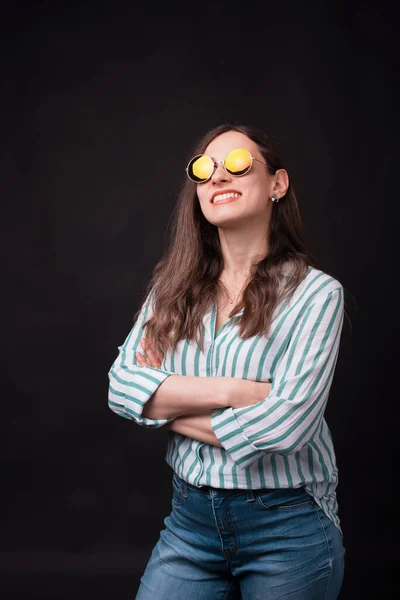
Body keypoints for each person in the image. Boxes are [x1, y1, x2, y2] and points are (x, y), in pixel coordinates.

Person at [108, 123, 346, 599]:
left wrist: (165, 405)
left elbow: (286, 428)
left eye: (237, 164)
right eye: (204, 169)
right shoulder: (171, 290)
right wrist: (237, 393)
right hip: (190, 521)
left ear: (277, 184)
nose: (218, 176)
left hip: (286, 527)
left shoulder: (318, 295)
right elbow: (120, 388)